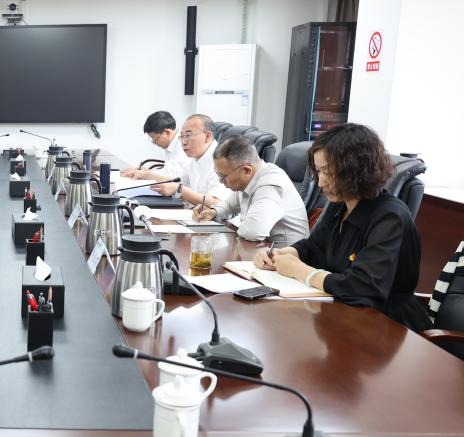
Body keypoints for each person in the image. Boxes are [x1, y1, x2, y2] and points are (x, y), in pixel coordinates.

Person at [253, 123, 430, 331]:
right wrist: (284, 254)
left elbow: (363, 287)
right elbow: (313, 247)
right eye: (318, 171)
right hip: (342, 316)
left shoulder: (390, 217)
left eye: (327, 172)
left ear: (356, 170)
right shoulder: (339, 205)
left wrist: (301, 271)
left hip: (388, 326)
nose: (320, 182)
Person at [193, 135, 309, 245]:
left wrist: (239, 227)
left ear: (246, 170)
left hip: (285, 254)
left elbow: (253, 231)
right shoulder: (247, 180)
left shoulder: (270, 184)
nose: (220, 181)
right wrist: (213, 212)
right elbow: (230, 206)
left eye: (223, 176)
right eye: (218, 174)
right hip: (261, 249)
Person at [148, 114, 231, 207]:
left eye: (188, 135)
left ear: (207, 136)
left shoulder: (221, 160)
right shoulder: (194, 158)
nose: (183, 142)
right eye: (182, 136)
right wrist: (147, 176)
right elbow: (176, 179)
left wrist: (180, 190)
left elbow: (218, 203)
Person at [121, 111, 189, 179]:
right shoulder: (171, 144)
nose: (154, 143)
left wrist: (145, 174)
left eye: (155, 138)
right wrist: (144, 171)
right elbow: (168, 172)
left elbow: (174, 177)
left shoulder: (183, 145)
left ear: (167, 132)